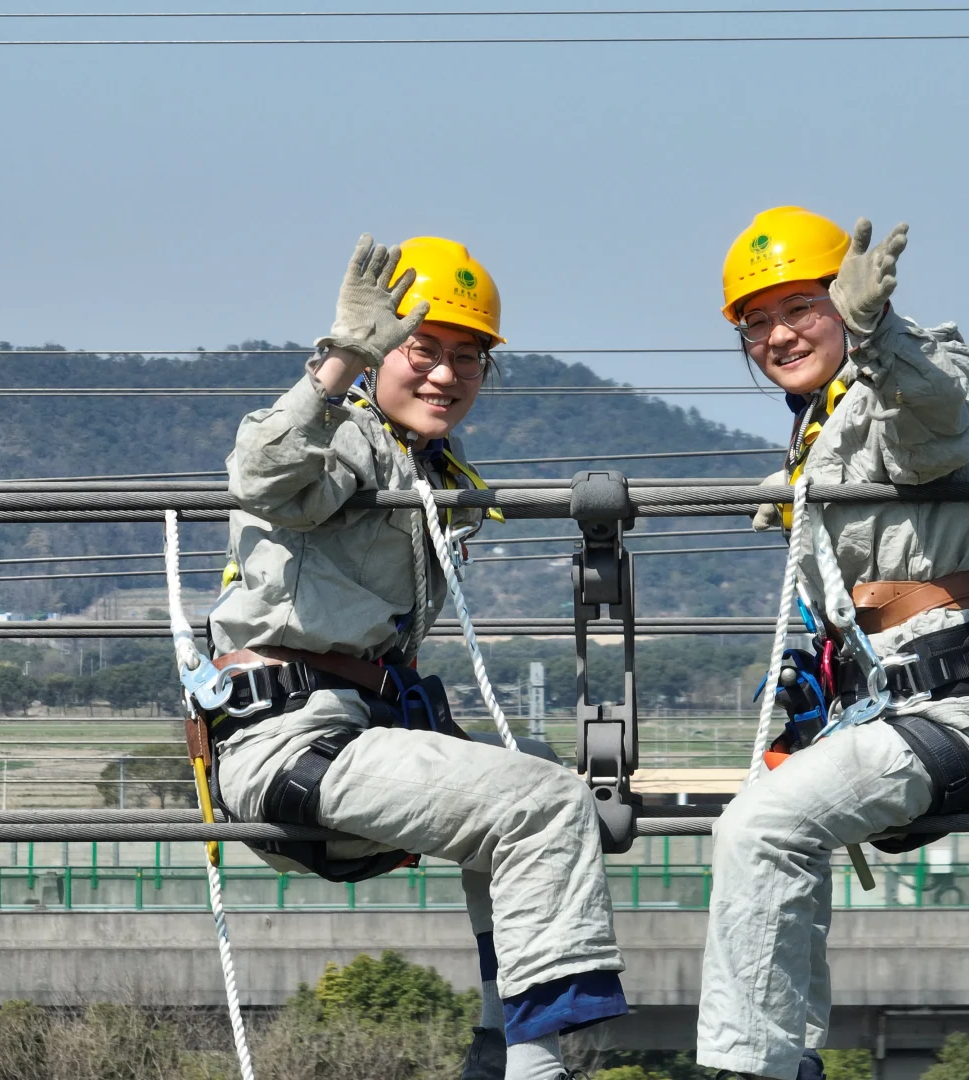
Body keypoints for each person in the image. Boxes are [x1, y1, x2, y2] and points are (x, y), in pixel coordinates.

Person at [206, 233, 627, 1080]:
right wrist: (338, 362)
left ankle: (497, 1040)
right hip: (285, 744)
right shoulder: (351, 441)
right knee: (542, 803)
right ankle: (542, 1063)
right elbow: (262, 474)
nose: (443, 375)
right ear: (378, 357)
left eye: (466, 359)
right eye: (419, 350)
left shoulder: (427, 470)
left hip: (347, 732)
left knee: (528, 765)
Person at [697, 208, 969, 1080]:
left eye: (801, 307)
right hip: (883, 713)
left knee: (760, 832)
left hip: (955, 714)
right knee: (767, 832)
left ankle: (758, 1070)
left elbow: (933, 426)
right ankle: (783, 1060)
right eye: (757, 322)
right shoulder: (823, 419)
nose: (777, 334)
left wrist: (879, 332)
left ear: (846, 304)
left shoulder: (909, 382)